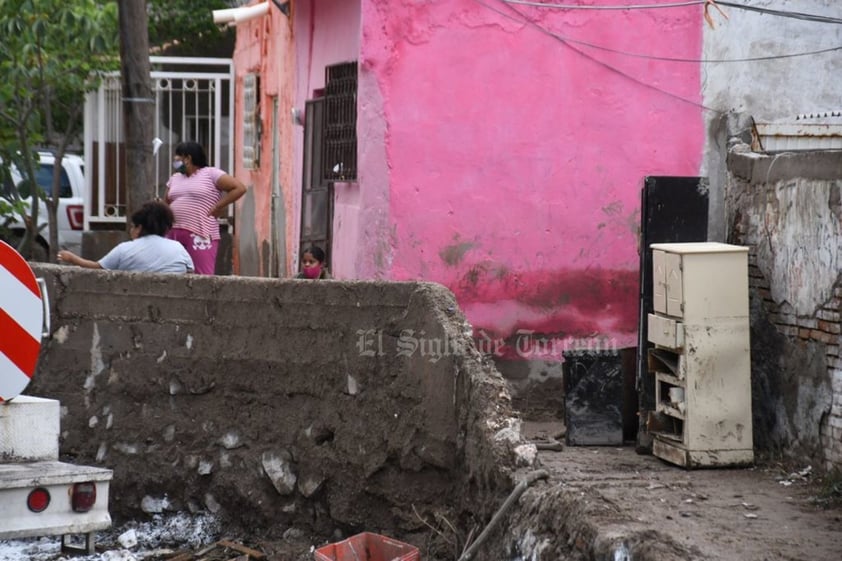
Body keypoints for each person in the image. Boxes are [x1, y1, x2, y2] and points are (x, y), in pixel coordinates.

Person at [165, 141, 247, 275]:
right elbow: (167, 202)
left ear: (188, 158)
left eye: (177, 157)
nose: (175, 161)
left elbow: (239, 188)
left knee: (201, 275)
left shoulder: (211, 174)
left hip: (200, 234)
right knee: (172, 273)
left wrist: (219, 206)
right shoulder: (175, 178)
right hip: (173, 232)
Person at [58, 201, 194, 273]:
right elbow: (189, 272)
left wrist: (71, 258)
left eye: (132, 226)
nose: (130, 230)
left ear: (139, 227)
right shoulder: (178, 248)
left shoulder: (124, 249)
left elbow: (97, 268)